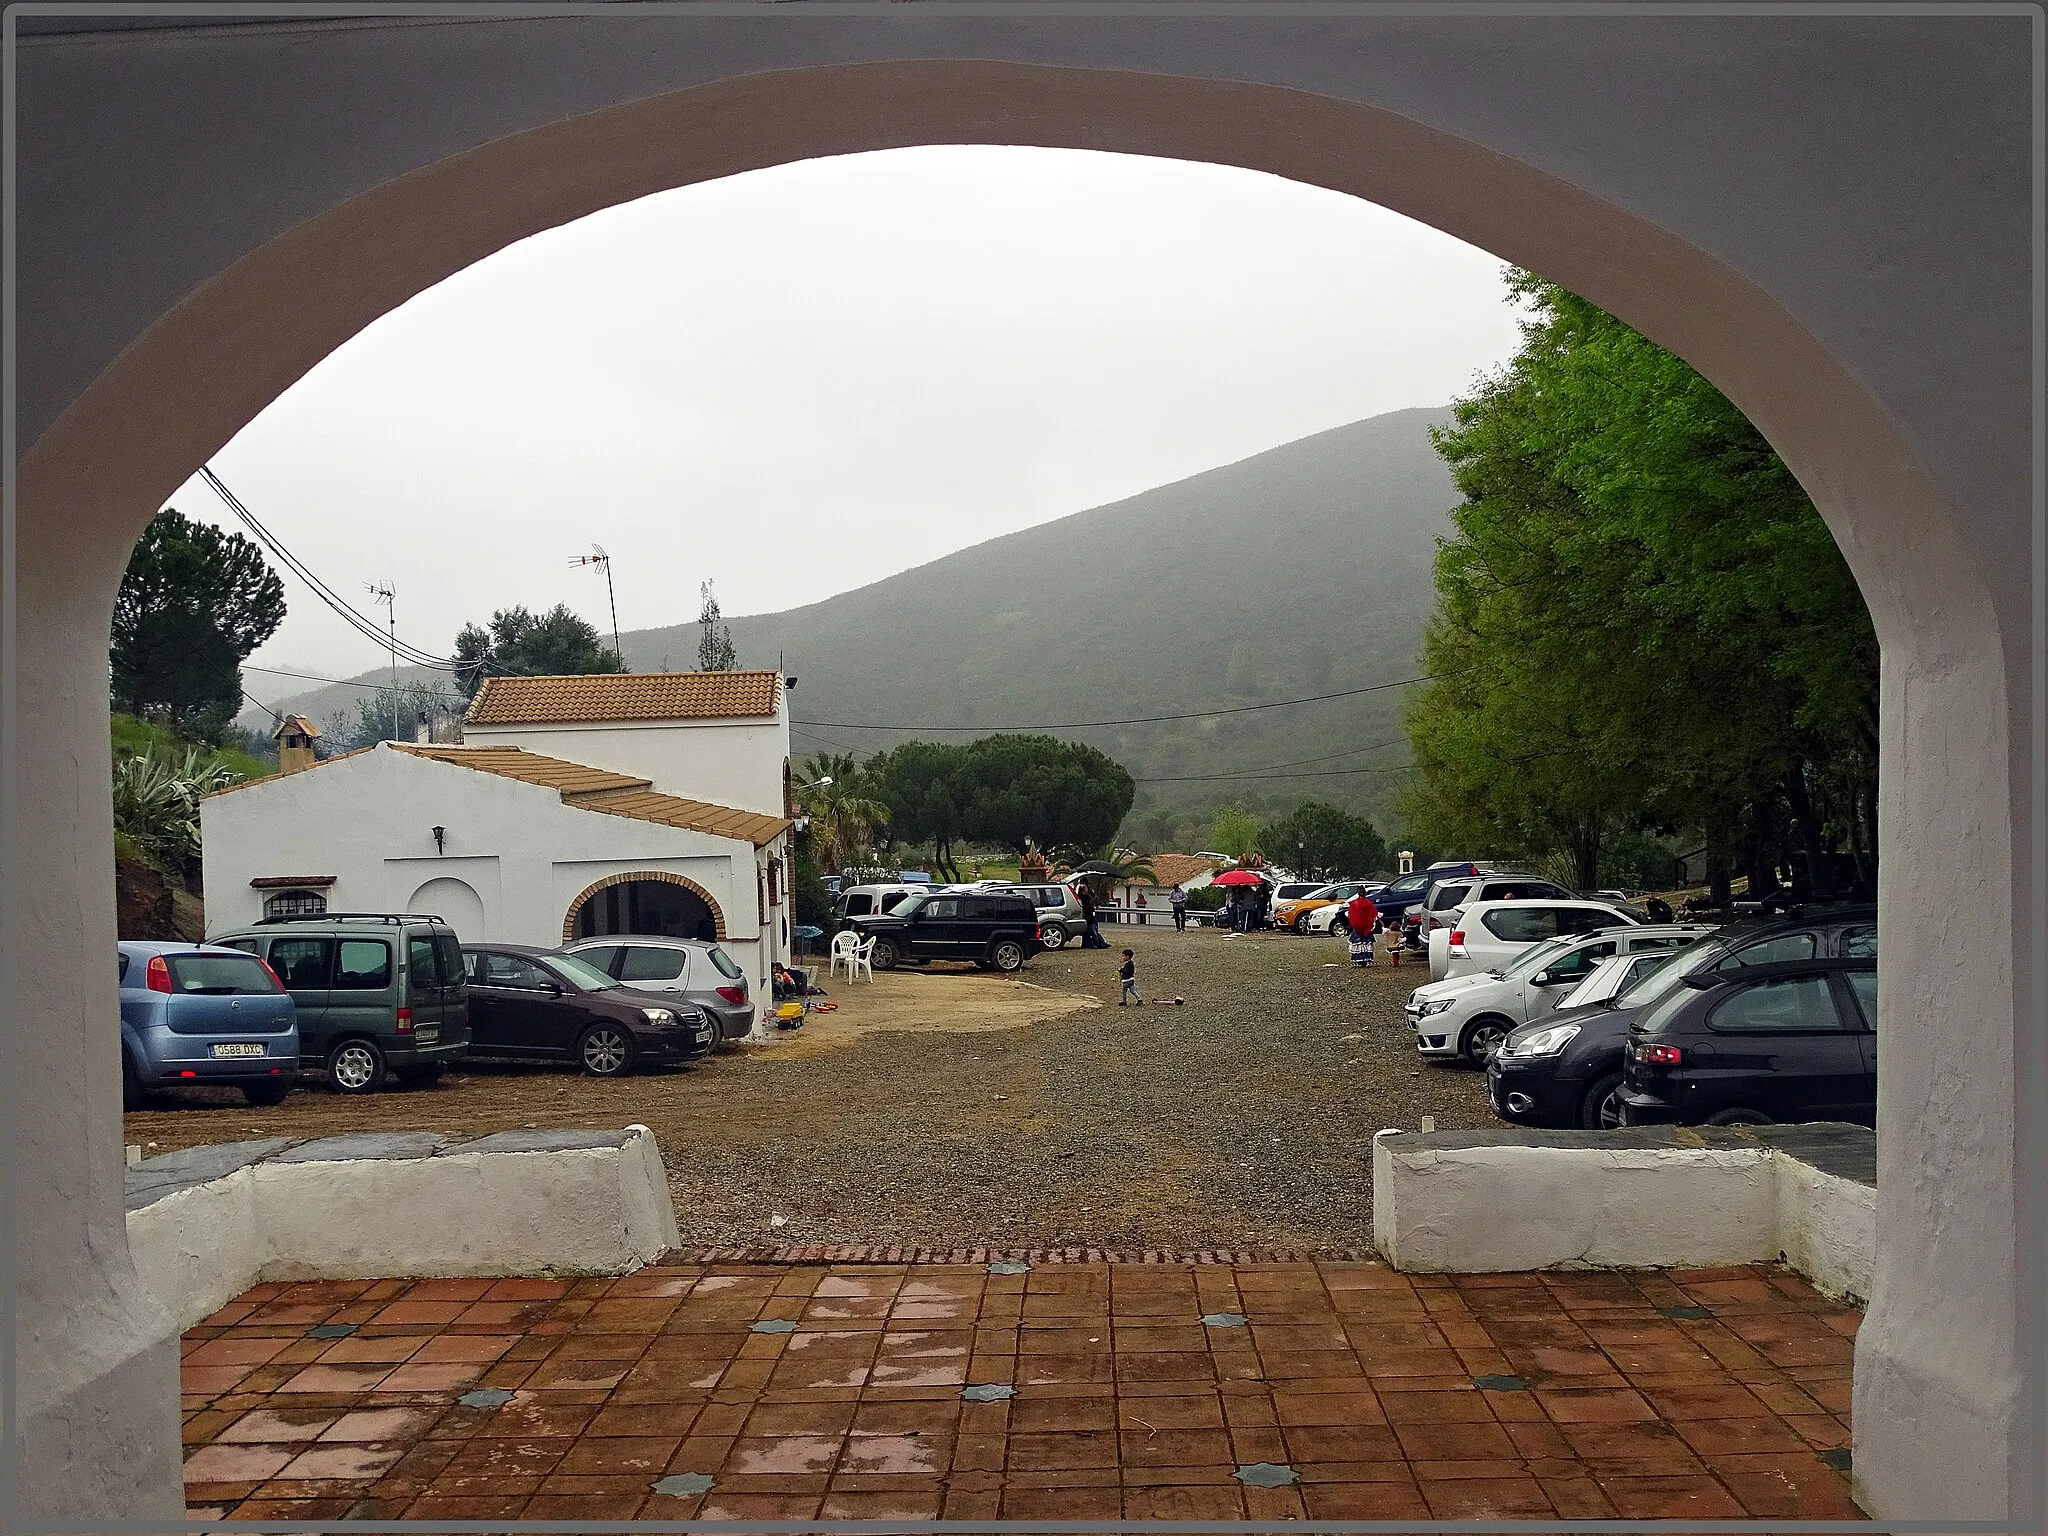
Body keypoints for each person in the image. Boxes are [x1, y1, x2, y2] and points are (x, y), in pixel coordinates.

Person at [1345, 889, 1379, 966]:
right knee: (1366, 943)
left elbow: (1351, 914)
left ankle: (1360, 960)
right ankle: (1367, 958)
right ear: (1365, 894)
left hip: (1357, 925)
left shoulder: (1354, 903)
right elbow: (1373, 914)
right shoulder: (1369, 903)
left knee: (1358, 943)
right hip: (1366, 925)